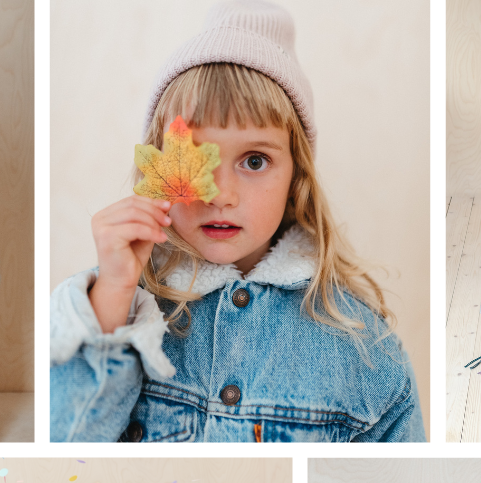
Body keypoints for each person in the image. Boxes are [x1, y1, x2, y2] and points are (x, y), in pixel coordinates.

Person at [50, 0, 422, 442]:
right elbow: (65, 453)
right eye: (197, 159)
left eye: (254, 160)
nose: (220, 195)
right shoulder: (113, 307)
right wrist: (113, 294)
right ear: (160, 169)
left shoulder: (365, 352)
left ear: (296, 177)